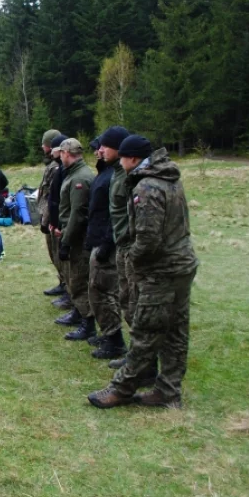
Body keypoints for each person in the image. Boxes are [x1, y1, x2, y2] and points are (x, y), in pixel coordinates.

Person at [88, 136, 198, 409]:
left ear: (133, 159)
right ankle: (168, 391)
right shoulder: (168, 178)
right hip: (181, 265)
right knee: (174, 331)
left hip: (161, 270)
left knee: (145, 330)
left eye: (123, 158)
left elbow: (148, 239)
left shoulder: (147, 187)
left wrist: (133, 260)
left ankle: (122, 388)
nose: (121, 163)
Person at [85, 130, 129, 360]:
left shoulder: (118, 176)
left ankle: (115, 341)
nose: (99, 150)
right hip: (99, 238)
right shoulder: (108, 171)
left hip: (108, 243)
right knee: (96, 289)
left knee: (104, 291)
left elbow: (117, 215)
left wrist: (106, 245)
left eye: (104, 146)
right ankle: (109, 335)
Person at [53, 138, 95, 341]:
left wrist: (66, 240)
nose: (60, 156)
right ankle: (79, 312)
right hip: (72, 233)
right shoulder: (75, 174)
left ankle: (87, 323)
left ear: (67, 153)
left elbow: (77, 213)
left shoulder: (80, 178)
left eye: (61, 153)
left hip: (78, 238)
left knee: (79, 279)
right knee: (74, 277)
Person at [103, 126, 135, 370]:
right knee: (128, 302)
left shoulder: (129, 178)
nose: (100, 150)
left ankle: (140, 360)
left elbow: (129, 217)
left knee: (134, 305)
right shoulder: (115, 173)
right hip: (121, 245)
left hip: (128, 247)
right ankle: (136, 356)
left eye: (105, 146)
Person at [47, 133, 76, 319]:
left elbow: (67, 204)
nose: (48, 150)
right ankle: (65, 289)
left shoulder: (70, 173)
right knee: (60, 261)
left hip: (65, 226)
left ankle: (72, 299)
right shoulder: (61, 170)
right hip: (58, 223)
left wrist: (58, 223)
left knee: (71, 266)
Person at [37, 129, 64, 296]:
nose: (43, 147)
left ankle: (66, 287)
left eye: (46, 144)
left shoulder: (55, 168)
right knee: (53, 254)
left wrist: (47, 221)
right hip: (48, 216)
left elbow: (52, 196)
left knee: (58, 254)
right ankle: (63, 283)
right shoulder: (52, 165)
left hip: (53, 217)